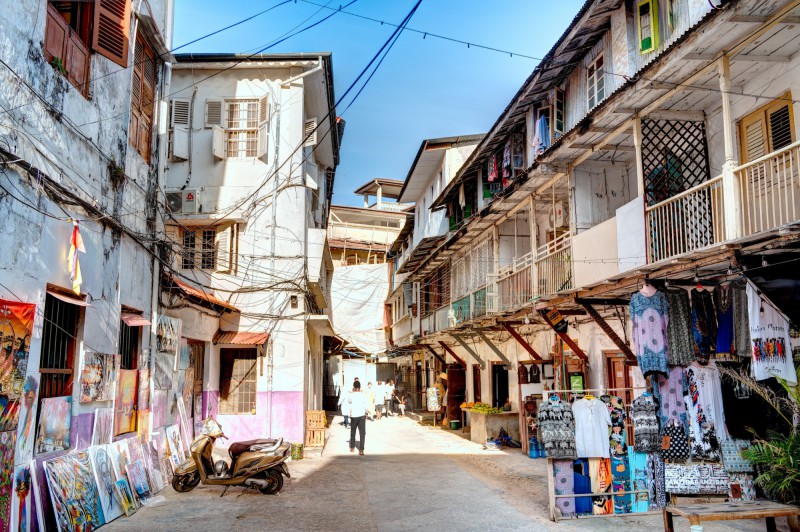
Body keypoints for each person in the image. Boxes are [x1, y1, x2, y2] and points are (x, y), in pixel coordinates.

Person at [348, 381, 368, 455]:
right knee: (362, 433)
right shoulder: (363, 395)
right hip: (361, 415)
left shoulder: (351, 395)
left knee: (353, 432)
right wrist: (366, 412)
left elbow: (349, 401)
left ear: (354, 387)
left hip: (354, 415)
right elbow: (366, 405)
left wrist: (352, 392)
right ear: (360, 387)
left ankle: (352, 447)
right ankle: (361, 450)